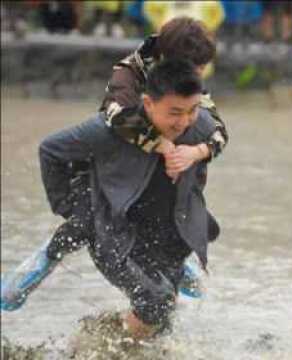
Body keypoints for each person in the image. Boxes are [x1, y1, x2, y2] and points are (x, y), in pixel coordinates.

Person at [1, 16, 228, 311]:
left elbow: (218, 131)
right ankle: (46, 259)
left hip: (153, 172)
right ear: (167, 61)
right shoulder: (128, 73)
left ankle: (174, 265)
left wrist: (196, 151)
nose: (197, 77)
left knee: (167, 213)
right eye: (193, 70)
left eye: (200, 71)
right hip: (106, 164)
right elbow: (115, 116)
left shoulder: (185, 82)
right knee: (87, 216)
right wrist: (160, 144)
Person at [38, 58, 217, 339]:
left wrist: (195, 157)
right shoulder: (108, 131)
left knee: (163, 319)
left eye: (192, 110)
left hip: (164, 235)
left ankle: (102, 337)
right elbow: (50, 150)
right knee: (156, 303)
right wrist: (70, 208)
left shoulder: (201, 127)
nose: (184, 122)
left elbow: (216, 144)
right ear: (148, 103)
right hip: (113, 233)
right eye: (174, 112)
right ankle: (100, 346)